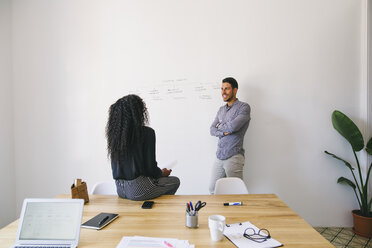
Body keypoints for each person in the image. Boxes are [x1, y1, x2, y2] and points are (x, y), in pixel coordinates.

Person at [105, 94, 180, 201]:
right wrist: (162, 173)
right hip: (138, 189)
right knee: (175, 181)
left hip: (120, 190)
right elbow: (150, 169)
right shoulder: (147, 133)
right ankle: (155, 211)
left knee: (152, 187)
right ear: (138, 113)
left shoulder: (115, 137)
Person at [209, 77, 251, 194]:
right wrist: (224, 131)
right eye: (222, 89)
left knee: (236, 192)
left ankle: (239, 213)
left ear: (235, 90)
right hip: (219, 156)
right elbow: (212, 130)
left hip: (234, 156)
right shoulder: (221, 110)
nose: (223, 92)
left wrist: (221, 127)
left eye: (227, 89)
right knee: (213, 189)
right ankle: (219, 213)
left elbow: (233, 127)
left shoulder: (244, 107)